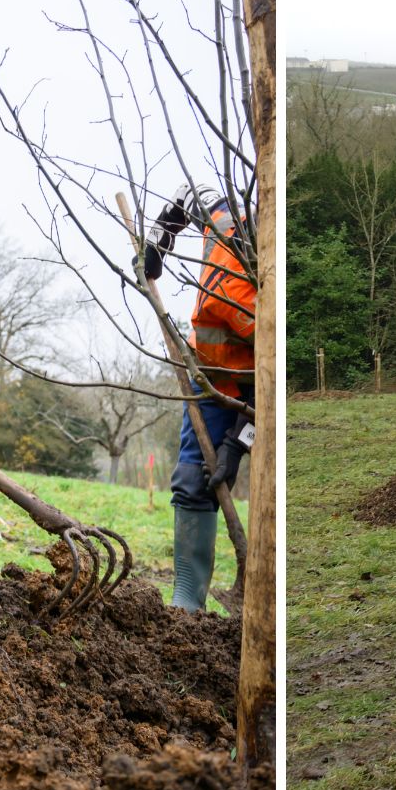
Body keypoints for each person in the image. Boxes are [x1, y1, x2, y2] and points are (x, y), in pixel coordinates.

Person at [142, 182, 254, 611]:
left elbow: (278, 388)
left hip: (259, 393)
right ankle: (187, 600)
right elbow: (191, 191)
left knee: (248, 478)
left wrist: (239, 440)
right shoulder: (229, 223)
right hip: (208, 378)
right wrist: (158, 242)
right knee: (192, 482)